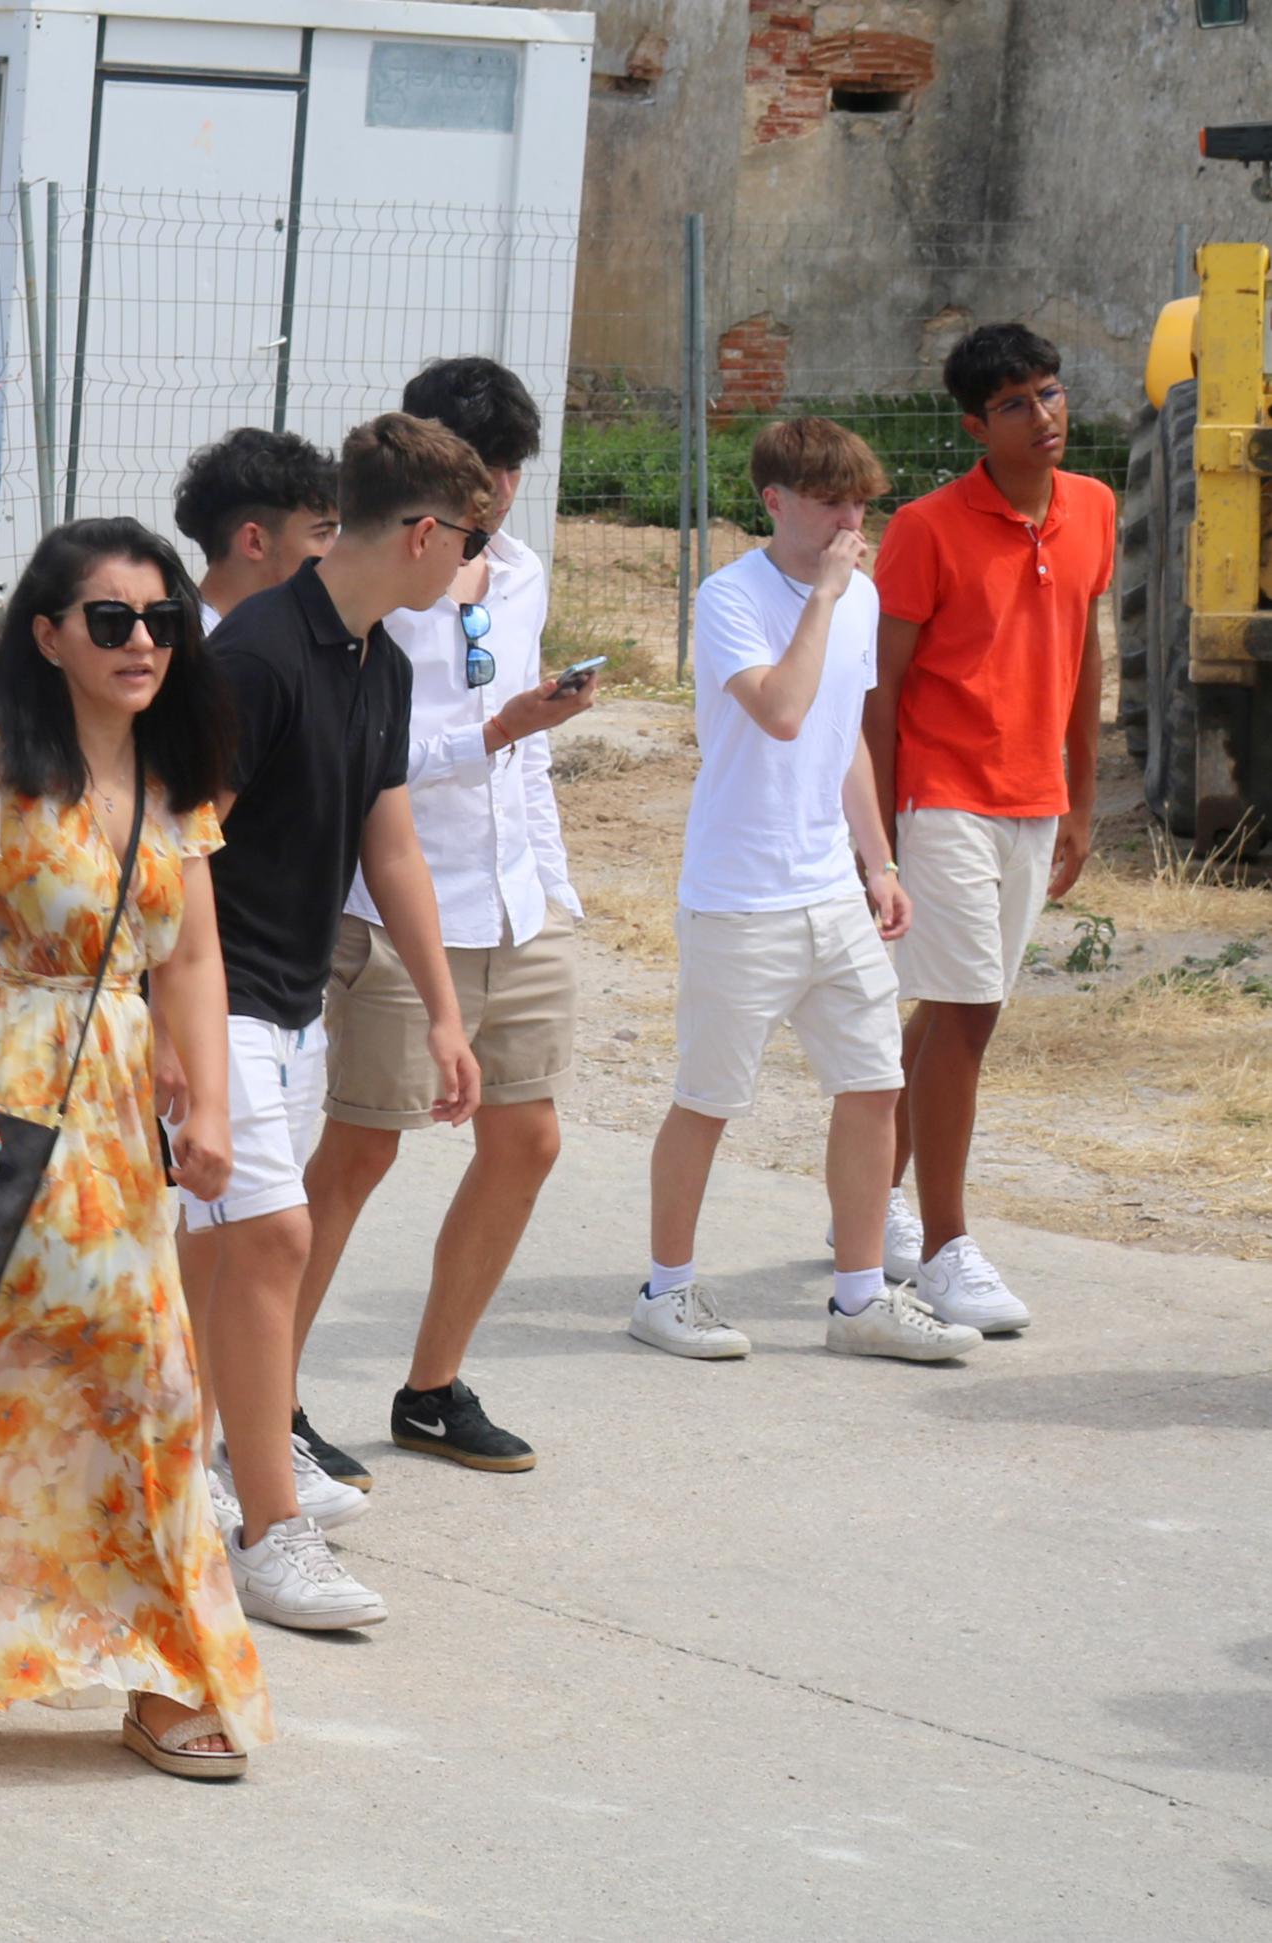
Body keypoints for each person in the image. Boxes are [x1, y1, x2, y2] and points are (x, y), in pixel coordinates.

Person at [0, 517, 266, 1783]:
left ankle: (159, 1669)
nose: (141, 640)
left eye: (161, 620)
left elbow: (189, 954)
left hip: (108, 1121)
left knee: (144, 1382)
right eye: (109, 619)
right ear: (46, 636)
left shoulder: (172, 776)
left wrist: (208, 1104)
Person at [187, 411, 483, 1633]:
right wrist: (184, 1025)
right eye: (468, 540)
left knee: (218, 1254)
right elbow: (179, 843)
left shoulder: (384, 663)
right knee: (270, 1241)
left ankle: (205, 1457)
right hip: (221, 1003)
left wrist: (446, 1018)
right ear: (420, 534)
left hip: (297, 1004)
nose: (471, 564)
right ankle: (268, 1531)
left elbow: (391, 842)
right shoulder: (253, 655)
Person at [289, 357, 595, 1482]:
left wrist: (548, 881)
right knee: (358, 1152)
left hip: (515, 901)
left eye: (513, 471)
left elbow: (528, 759)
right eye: (484, 472)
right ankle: (262, 1400)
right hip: (389, 904)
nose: (501, 495)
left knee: (528, 1138)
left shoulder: (516, 576)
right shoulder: (369, 573)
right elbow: (364, 755)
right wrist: (495, 730)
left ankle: (429, 1388)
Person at [634, 418, 979, 1366]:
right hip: (738, 893)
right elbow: (783, 711)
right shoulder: (729, 595)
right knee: (707, 1098)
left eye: (860, 502)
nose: (847, 520)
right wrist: (824, 596)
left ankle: (859, 1299)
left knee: (873, 1086)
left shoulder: (858, 596)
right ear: (775, 501)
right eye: (829, 501)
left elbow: (843, 742)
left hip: (831, 889)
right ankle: (664, 1290)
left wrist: (880, 863)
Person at [869, 322, 1108, 1339]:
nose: (1041, 416)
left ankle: (865, 1195)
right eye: (1014, 404)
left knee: (954, 1010)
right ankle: (942, 1248)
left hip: (1033, 799)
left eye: (1048, 394)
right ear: (974, 424)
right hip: (941, 795)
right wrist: (874, 839)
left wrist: (1083, 800)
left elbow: (1085, 656)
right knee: (965, 1016)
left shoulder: (1093, 506)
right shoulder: (923, 528)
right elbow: (879, 694)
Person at [173, 425, 339, 630]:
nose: (339, 550)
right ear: (255, 541)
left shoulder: (281, 636)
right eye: (322, 534)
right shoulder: (181, 649)